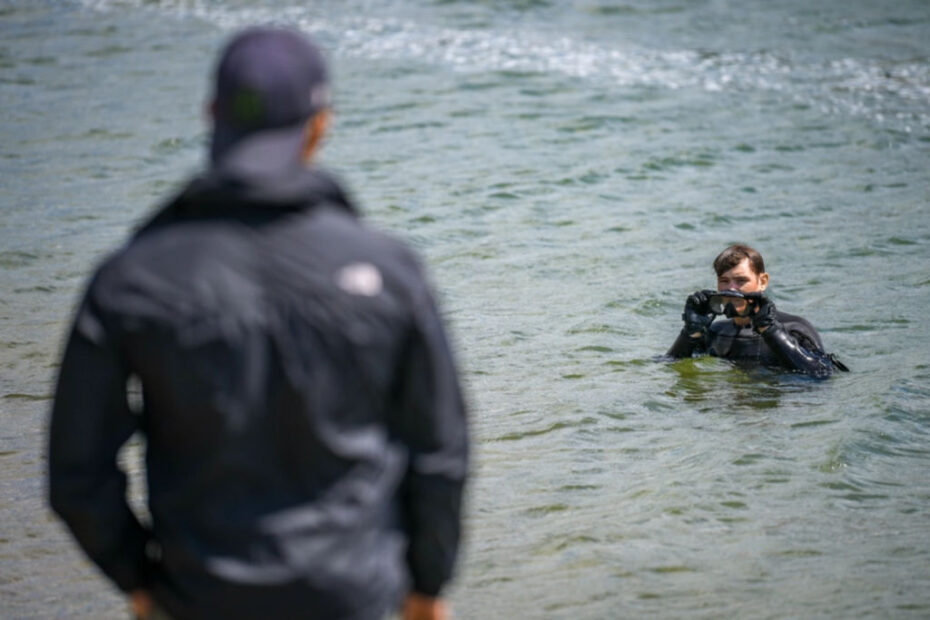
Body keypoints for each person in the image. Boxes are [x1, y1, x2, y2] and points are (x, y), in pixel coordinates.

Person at [48, 27, 468, 620]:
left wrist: (138, 581)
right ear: (320, 125)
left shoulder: (131, 277)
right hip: (354, 595)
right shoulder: (389, 270)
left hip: (198, 597)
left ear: (212, 116)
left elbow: (75, 470)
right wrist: (427, 584)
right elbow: (441, 451)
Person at [666, 244, 844, 378]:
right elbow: (668, 367)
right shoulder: (716, 332)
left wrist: (770, 331)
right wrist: (690, 333)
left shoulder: (795, 328)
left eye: (741, 280)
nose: (732, 289)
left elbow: (821, 375)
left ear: (763, 281)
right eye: (724, 281)